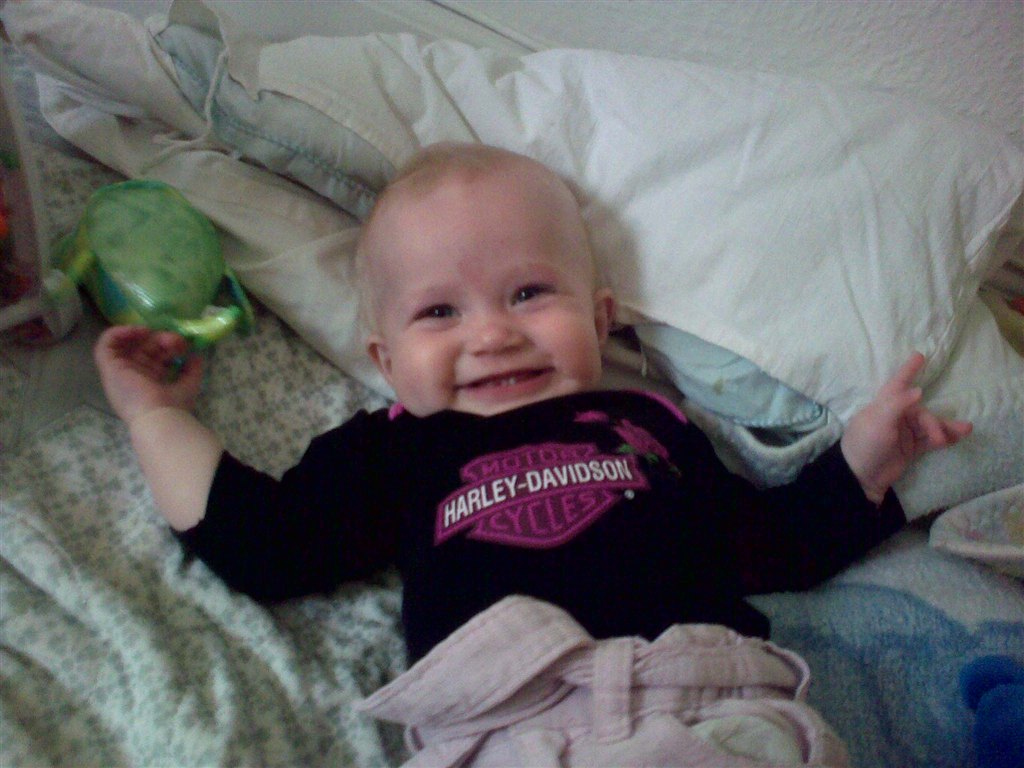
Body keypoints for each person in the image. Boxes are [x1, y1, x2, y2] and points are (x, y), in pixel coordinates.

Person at [94, 142, 972, 766]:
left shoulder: (648, 422)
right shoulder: (397, 446)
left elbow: (770, 544)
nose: (492, 334)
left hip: (708, 703)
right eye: (439, 312)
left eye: (528, 292)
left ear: (599, 318)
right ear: (387, 363)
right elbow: (266, 542)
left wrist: (863, 460)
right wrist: (155, 416)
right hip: (503, 726)